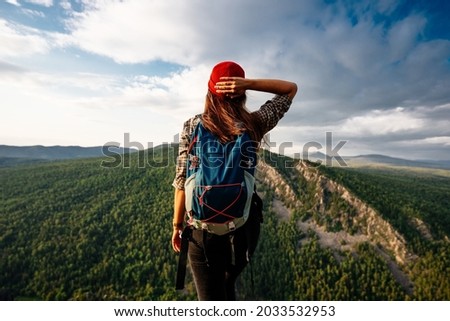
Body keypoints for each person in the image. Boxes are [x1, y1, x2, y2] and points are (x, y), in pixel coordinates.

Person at [171, 61, 297, 300]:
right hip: (243, 228)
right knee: (229, 281)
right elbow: (290, 89)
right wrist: (249, 84)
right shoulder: (255, 123)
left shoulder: (193, 125)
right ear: (241, 93)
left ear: (210, 92)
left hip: (201, 231)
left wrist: (178, 226)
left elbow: (181, 181)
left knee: (210, 300)